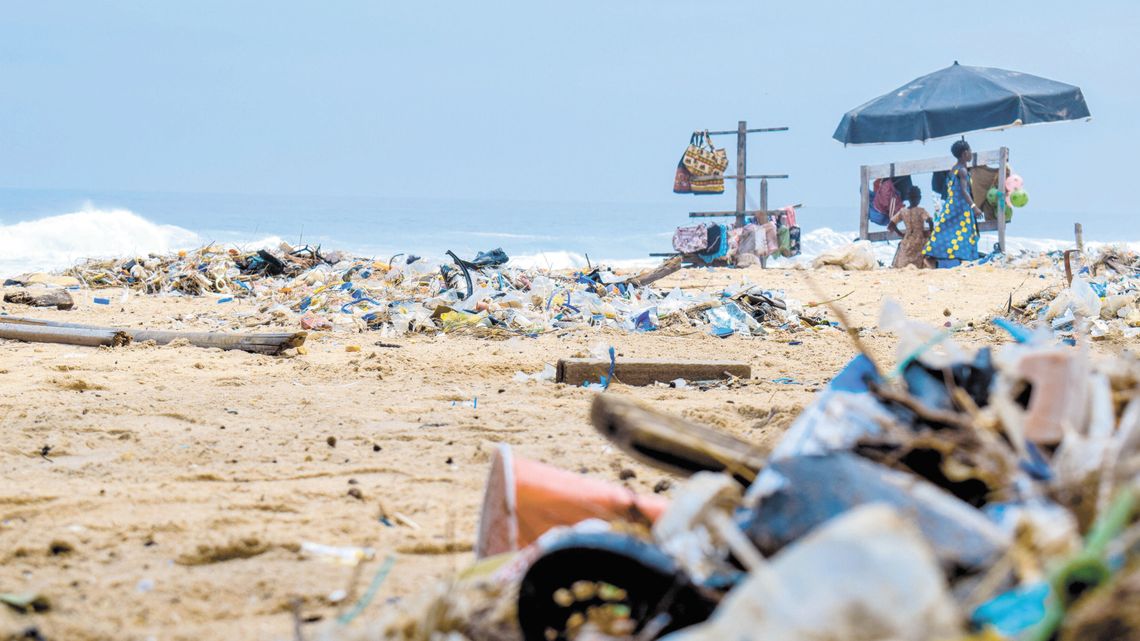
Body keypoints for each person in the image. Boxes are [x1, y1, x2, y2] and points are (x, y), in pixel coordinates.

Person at [923, 140, 981, 267]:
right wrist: (974, 207)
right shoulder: (962, 171)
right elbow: (964, 191)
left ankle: (934, 255)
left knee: (946, 231)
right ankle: (964, 260)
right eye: (970, 151)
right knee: (964, 234)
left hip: (951, 206)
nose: (971, 154)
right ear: (965, 153)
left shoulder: (953, 170)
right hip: (961, 208)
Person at [889, 186, 932, 269]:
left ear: (908, 198)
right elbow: (930, 220)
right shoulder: (921, 210)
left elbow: (891, 224)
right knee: (921, 260)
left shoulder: (903, 211)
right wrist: (930, 231)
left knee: (903, 262)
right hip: (919, 238)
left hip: (907, 238)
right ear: (919, 198)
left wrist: (900, 234)